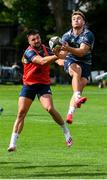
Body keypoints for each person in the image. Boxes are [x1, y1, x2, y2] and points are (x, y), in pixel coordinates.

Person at [7, 29, 72, 152]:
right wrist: (58, 55)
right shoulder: (29, 52)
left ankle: (66, 132)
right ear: (29, 41)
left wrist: (68, 63)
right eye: (33, 39)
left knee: (50, 109)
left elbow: (58, 61)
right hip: (29, 85)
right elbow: (42, 61)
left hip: (43, 85)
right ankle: (12, 143)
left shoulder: (46, 48)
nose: (36, 41)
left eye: (38, 38)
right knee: (21, 113)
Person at [54, 10, 95, 124]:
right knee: (77, 70)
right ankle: (77, 97)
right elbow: (63, 55)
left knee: (81, 84)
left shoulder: (88, 34)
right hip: (71, 60)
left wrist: (68, 49)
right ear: (71, 23)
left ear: (83, 22)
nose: (76, 20)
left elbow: (82, 52)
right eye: (73, 19)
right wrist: (56, 53)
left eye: (78, 18)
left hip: (86, 62)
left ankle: (70, 113)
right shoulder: (66, 36)